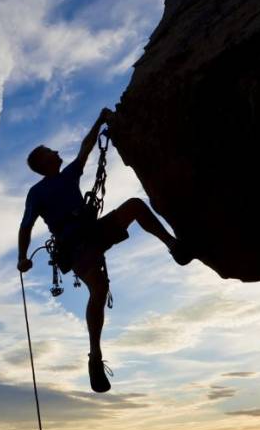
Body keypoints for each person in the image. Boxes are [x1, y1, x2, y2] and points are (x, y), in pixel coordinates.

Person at [17, 107, 193, 392]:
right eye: (51, 151)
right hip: (74, 245)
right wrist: (22, 258)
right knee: (98, 288)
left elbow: (86, 149)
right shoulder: (37, 193)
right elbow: (25, 226)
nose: (57, 151)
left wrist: (99, 121)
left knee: (135, 206)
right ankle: (95, 356)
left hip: (92, 231)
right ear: (43, 161)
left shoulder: (69, 174)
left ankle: (174, 246)